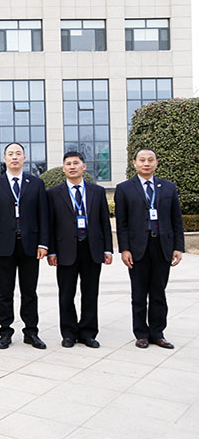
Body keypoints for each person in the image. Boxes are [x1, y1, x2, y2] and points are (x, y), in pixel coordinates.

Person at [115, 148, 184, 349]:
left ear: (156, 162)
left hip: (162, 246)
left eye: (150, 160)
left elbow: (176, 220)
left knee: (158, 293)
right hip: (137, 248)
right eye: (142, 160)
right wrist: (124, 249)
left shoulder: (168, 187)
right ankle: (141, 334)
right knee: (138, 294)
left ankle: (157, 333)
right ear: (134, 163)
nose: (146, 163)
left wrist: (178, 247)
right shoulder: (124, 188)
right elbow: (122, 222)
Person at [0, 142, 49, 350]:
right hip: (3, 246)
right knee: (5, 291)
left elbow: (43, 215)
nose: (14, 157)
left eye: (18, 154)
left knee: (29, 291)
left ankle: (31, 332)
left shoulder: (36, 183)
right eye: (10, 154)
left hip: (30, 245)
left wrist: (43, 243)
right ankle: (5, 332)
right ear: (4, 158)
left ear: (24, 158)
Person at [47, 151, 112, 348]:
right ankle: (68, 333)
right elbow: (50, 225)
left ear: (84, 166)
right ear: (63, 168)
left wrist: (108, 249)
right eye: (68, 164)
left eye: (76, 163)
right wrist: (51, 251)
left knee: (90, 293)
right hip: (65, 250)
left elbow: (104, 222)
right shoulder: (53, 193)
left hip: (92, 249)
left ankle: (88, 333)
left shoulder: (97, 191)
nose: (72, 167)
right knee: (66, 294)